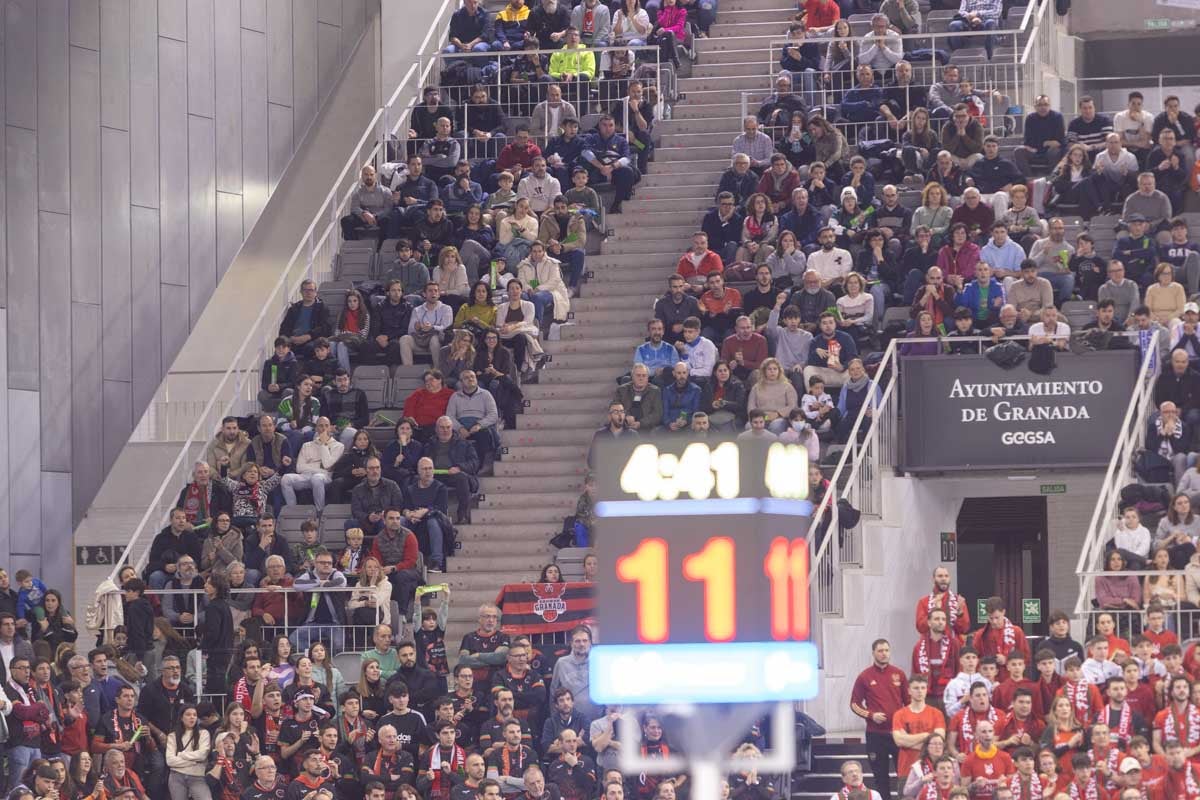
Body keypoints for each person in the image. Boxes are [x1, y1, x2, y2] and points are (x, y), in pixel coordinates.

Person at [851, 640, 908, 800]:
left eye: (887, 650)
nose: (884, 653)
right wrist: (871, 715)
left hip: (898, 735)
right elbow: (854, 704)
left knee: (903, 775)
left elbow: (908, 702)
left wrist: (905, 723)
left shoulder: (899, 674)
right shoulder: (864, 676)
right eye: (880, 650)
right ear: (873, 653)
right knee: (880, 778)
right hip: (875, 735)